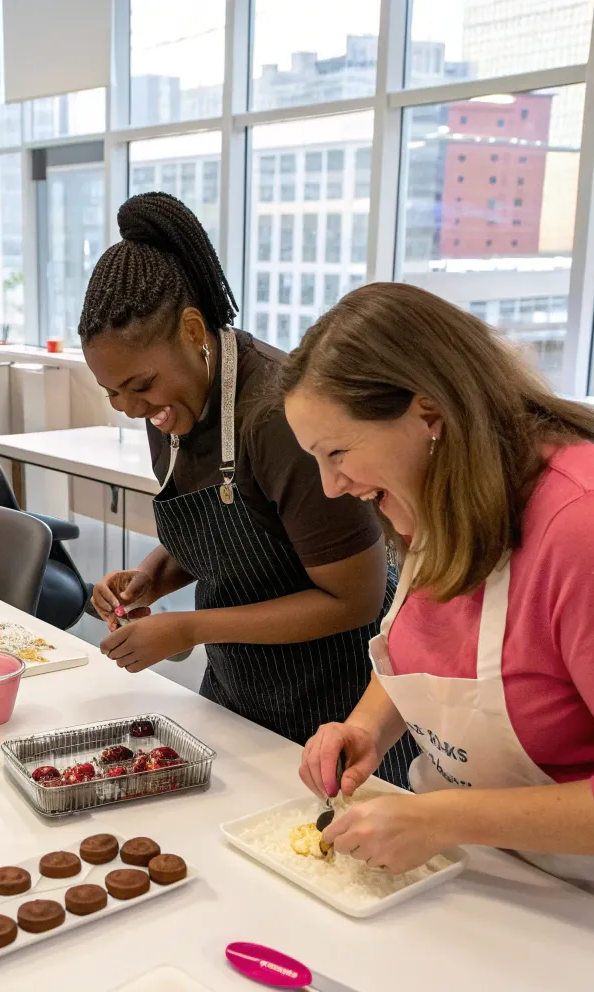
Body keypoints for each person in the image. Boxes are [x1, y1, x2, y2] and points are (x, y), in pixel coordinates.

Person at [284, 281, 594, 905]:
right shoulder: (437, 490)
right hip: (470, 875)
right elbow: (433, 646)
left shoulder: (592, 530)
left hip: (589, 909)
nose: (331, 486)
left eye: (338, 452)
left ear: (430, 414)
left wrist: (441, 819)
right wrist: (366, 729)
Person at [80, 192, 415, 786]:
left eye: (140, 385)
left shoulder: (278, 416)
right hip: (241, 687)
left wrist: (188, 627)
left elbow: (355, 600)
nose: (132, 409)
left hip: (337, 699)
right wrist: (154, 576)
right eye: (113, 394)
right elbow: (231, 530)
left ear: (192, 330)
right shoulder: (172, 407)